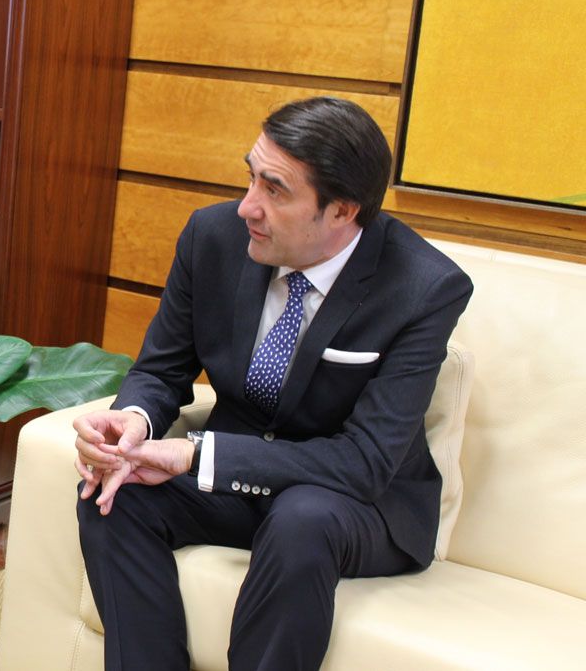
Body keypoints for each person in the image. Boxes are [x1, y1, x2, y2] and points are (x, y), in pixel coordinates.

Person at [74, 96, 473, 670]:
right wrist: (131, 424)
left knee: (303, 517)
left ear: (342, 211)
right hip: (240, 477)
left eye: (276, 190)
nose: (247, 208)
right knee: (113, 491)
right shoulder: (211, 238)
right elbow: (162, 369)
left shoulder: (423, 288)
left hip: (357, 502)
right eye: (250, 178)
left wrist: (195, 456)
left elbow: (365, 462)